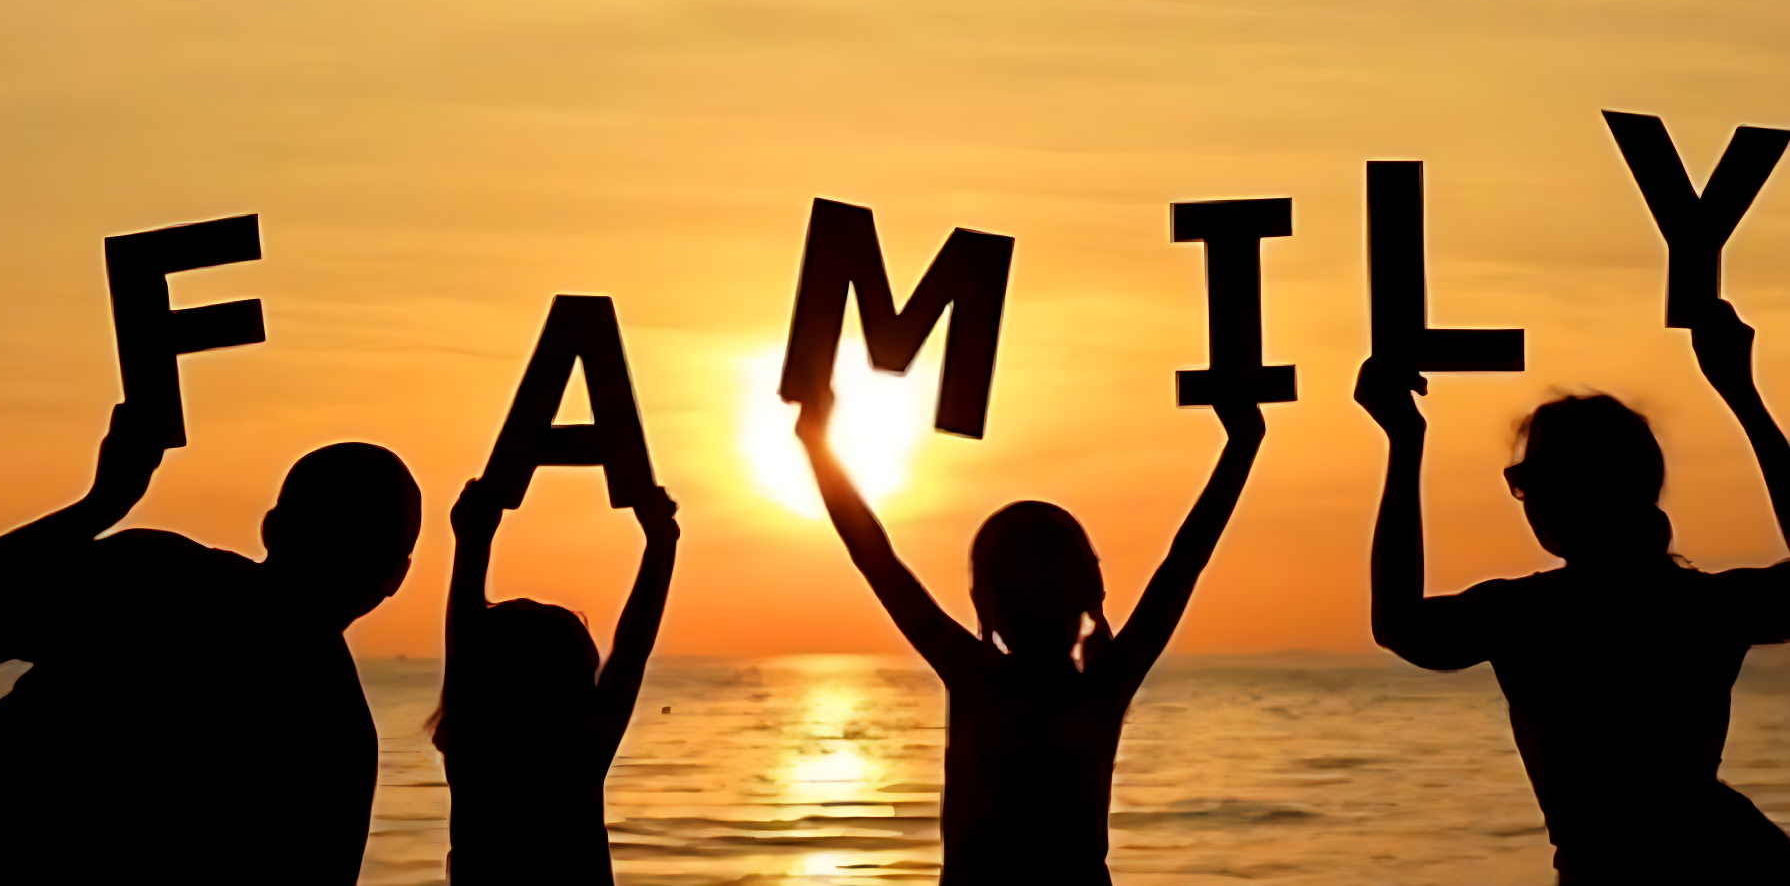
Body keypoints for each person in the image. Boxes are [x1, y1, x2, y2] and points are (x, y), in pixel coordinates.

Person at [1361, 298, 1790, 884]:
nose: (1524, 497)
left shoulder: (1530, 617)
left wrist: (1404, 443)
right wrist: (1743, 394)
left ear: (1575, 491)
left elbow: (1401, 625)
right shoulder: (1703, 607)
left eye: (1528, 479)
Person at [0, 401, 422, 885]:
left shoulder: (158, 578)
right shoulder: (339, 739)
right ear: (395, 579)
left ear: (273, 529)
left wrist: (102, 502)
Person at [795, 385, 1265, 886]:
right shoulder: (1096, 688)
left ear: (987, 607)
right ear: (1087, 595)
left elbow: (878, 561)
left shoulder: (977, 678)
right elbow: (1185, 561)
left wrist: (817, 444)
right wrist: (1243, 442)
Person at [433, 476, 679, 884]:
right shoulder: (579, 752)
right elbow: (633, 647)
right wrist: (661, 541)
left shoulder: (472, 739)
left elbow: (466, 640)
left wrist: (473, 538)